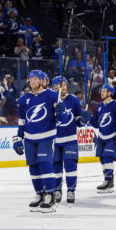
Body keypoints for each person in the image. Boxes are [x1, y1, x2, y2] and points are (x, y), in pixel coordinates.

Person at [13, 70, 60, 213]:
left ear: (41, 81)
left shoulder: (52, 95)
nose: (32, 81)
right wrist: (18, 137)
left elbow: (61, 118)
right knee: (33, 166)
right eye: (30, 79)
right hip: (29, 138)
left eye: (35, 79)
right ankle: (40, 194)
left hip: (46, 136)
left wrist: (61, 111)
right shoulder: (24, 99)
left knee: (45, 164)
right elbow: (22, 120)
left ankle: (51, 195)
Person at [90, 84, 116, 193]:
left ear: (110, 93)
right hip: (102, 136)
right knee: (102, 158)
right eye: (101, 91)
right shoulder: (100, 106)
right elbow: (97, 124)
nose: (101, 93)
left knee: (107, 157)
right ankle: (109, 182)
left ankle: (108, 181)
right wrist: (89, 117)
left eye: (103, 91)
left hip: (113, 135)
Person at [51, 76, 83, 204]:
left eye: (64, 84)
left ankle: (71, 190)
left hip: (70, 140)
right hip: (54, 140)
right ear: (54, 86)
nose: (63, 87)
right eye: (60, 84)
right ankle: (57, 190)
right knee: (56, 168)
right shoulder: (50, 99)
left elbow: (79, 122)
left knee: (71, 166)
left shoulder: (74, 100)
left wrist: (84, 119)